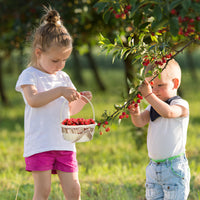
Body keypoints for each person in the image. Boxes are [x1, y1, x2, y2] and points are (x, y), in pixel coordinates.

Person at [15, 7, 92, 200]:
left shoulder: (63, 77)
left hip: (64, 143)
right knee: (43, 192)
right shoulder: (29, 75)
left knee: (74, 191)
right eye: (55, 60)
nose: (60, 65)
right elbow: (33, 100)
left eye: (65, 60)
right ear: (39, 52)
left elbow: (69, 110)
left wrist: (81, 100)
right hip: (40, 144)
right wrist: (59, 91)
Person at [128, 59, 190, 200]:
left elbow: (168, 113)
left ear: (175, 83)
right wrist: (135, 113)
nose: (154, 91)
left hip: (173, 168)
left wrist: (149, 96)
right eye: (151, 86)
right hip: (153, 168)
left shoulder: (180, 104)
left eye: (159, 85)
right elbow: (140, 122)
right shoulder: (153, 106)